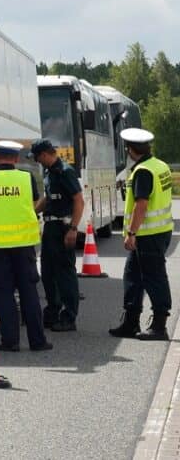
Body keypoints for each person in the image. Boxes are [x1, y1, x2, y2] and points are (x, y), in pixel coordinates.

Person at [0, 140, 52, 352]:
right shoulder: (26, 179)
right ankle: (37, 341)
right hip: (23, 245)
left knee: (3, 293)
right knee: (29, 291)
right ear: (15, 159)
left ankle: (10, 341)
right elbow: (33, 206)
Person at [109, 128, 174, 340]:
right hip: (158, 232)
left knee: (153, 278)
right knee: (133, 276)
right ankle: (130, 322)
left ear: (130, 150)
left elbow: (141, 204)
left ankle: (159, 325)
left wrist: (131, 233)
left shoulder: (143, 171)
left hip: (148, 234)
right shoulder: (159, 165)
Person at [30, 139, 84, 331]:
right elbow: (48, 197)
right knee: (48, 272)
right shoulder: (48, 172)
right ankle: (53, 311)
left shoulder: (65, 172)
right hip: (51, 228)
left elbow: (79, 201)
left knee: (64, 273)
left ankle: (69, 316)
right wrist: (33, 212)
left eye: (37, 157)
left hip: (64, 227)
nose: (37, 161)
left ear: (45, 154)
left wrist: (73, 229)